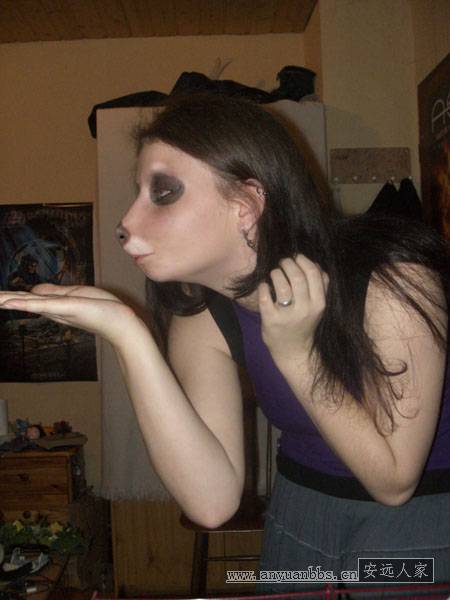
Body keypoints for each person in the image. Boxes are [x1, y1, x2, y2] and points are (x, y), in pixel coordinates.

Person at [0, 93, 449, 592]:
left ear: (246, 205)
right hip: (299, 514)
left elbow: (394, 481)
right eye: (138, 192)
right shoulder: (205, 317)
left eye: (163, 192)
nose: (125, 224)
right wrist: (128, 334)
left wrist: (297, 355)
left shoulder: (393, 280)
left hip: (421, 523)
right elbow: (211, 503)